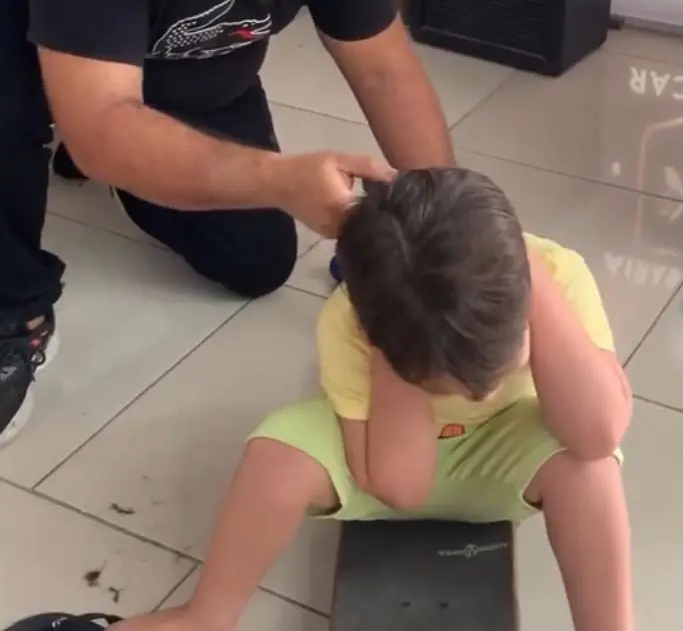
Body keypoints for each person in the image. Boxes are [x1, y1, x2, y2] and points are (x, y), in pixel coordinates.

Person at [0, 0, 454, 447]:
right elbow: (103, 120)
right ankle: (12, 315)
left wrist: (441, 230)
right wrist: (276, 175)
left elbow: (383, 68)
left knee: (256, 259)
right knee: (31, 119)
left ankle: (118, 157)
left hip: (176, 37)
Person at [7, 168, 634, 631]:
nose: (481, 391)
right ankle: (205, 616)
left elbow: (600, 429)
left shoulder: (556, 273)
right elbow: (400, 485)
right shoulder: (351, 321)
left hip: (508, 458)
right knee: (275, 453)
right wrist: (391, 359)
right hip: (385, 467)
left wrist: (538, 290)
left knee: (592, 471)